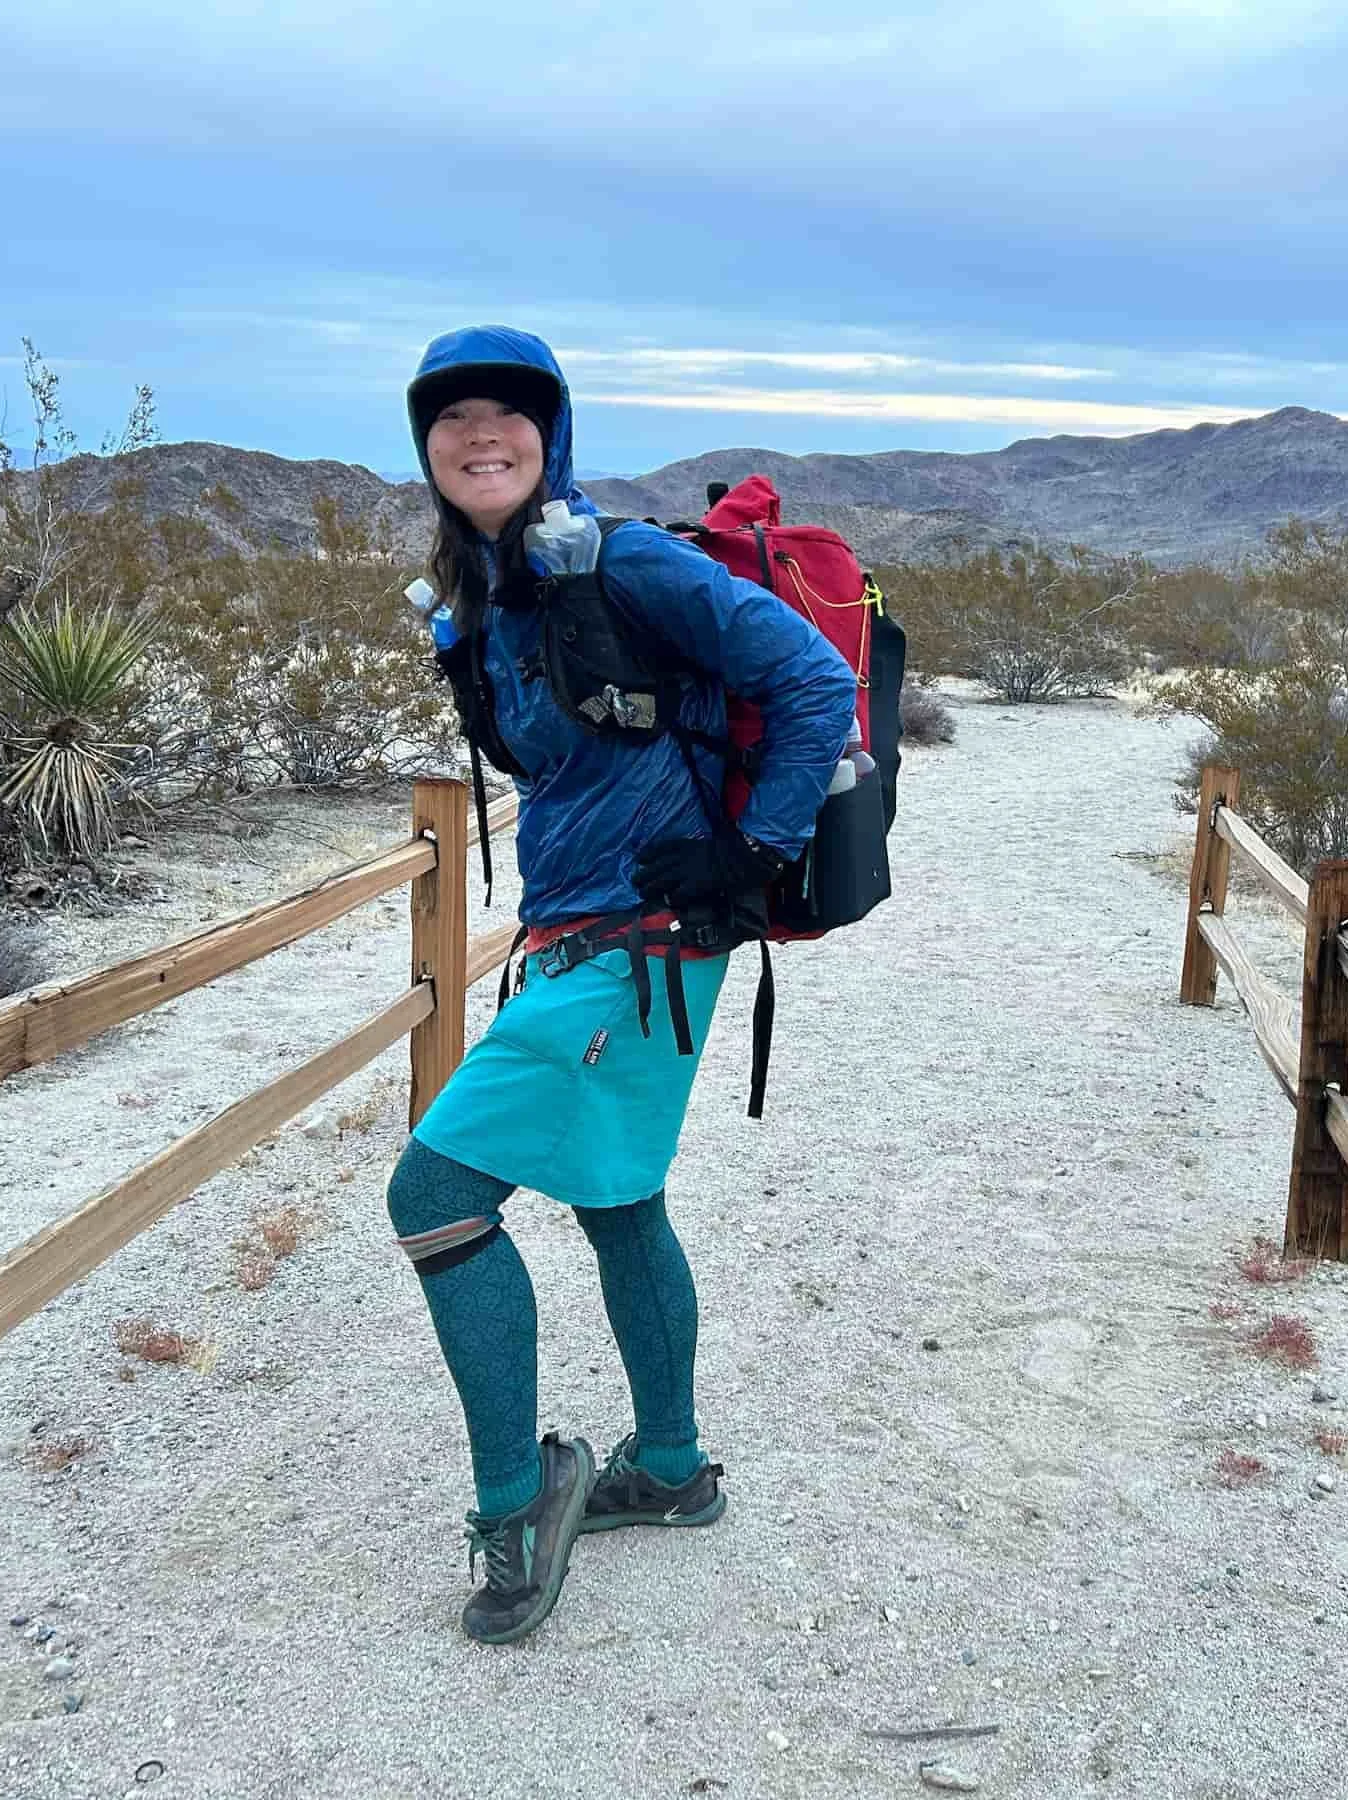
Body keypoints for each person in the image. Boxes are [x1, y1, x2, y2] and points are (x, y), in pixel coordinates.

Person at [384, 325, 856, 1646]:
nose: (482, 434)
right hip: (585, 935)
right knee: (618, 1198)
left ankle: (517, 1504)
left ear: (555, 433)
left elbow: (815, 685)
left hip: (646, 943)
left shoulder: (631, 562)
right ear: (425, 446)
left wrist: (748, 857)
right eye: (453, 417)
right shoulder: (496, 596)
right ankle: (671, 1467)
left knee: (432, 1193)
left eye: (509, 414)